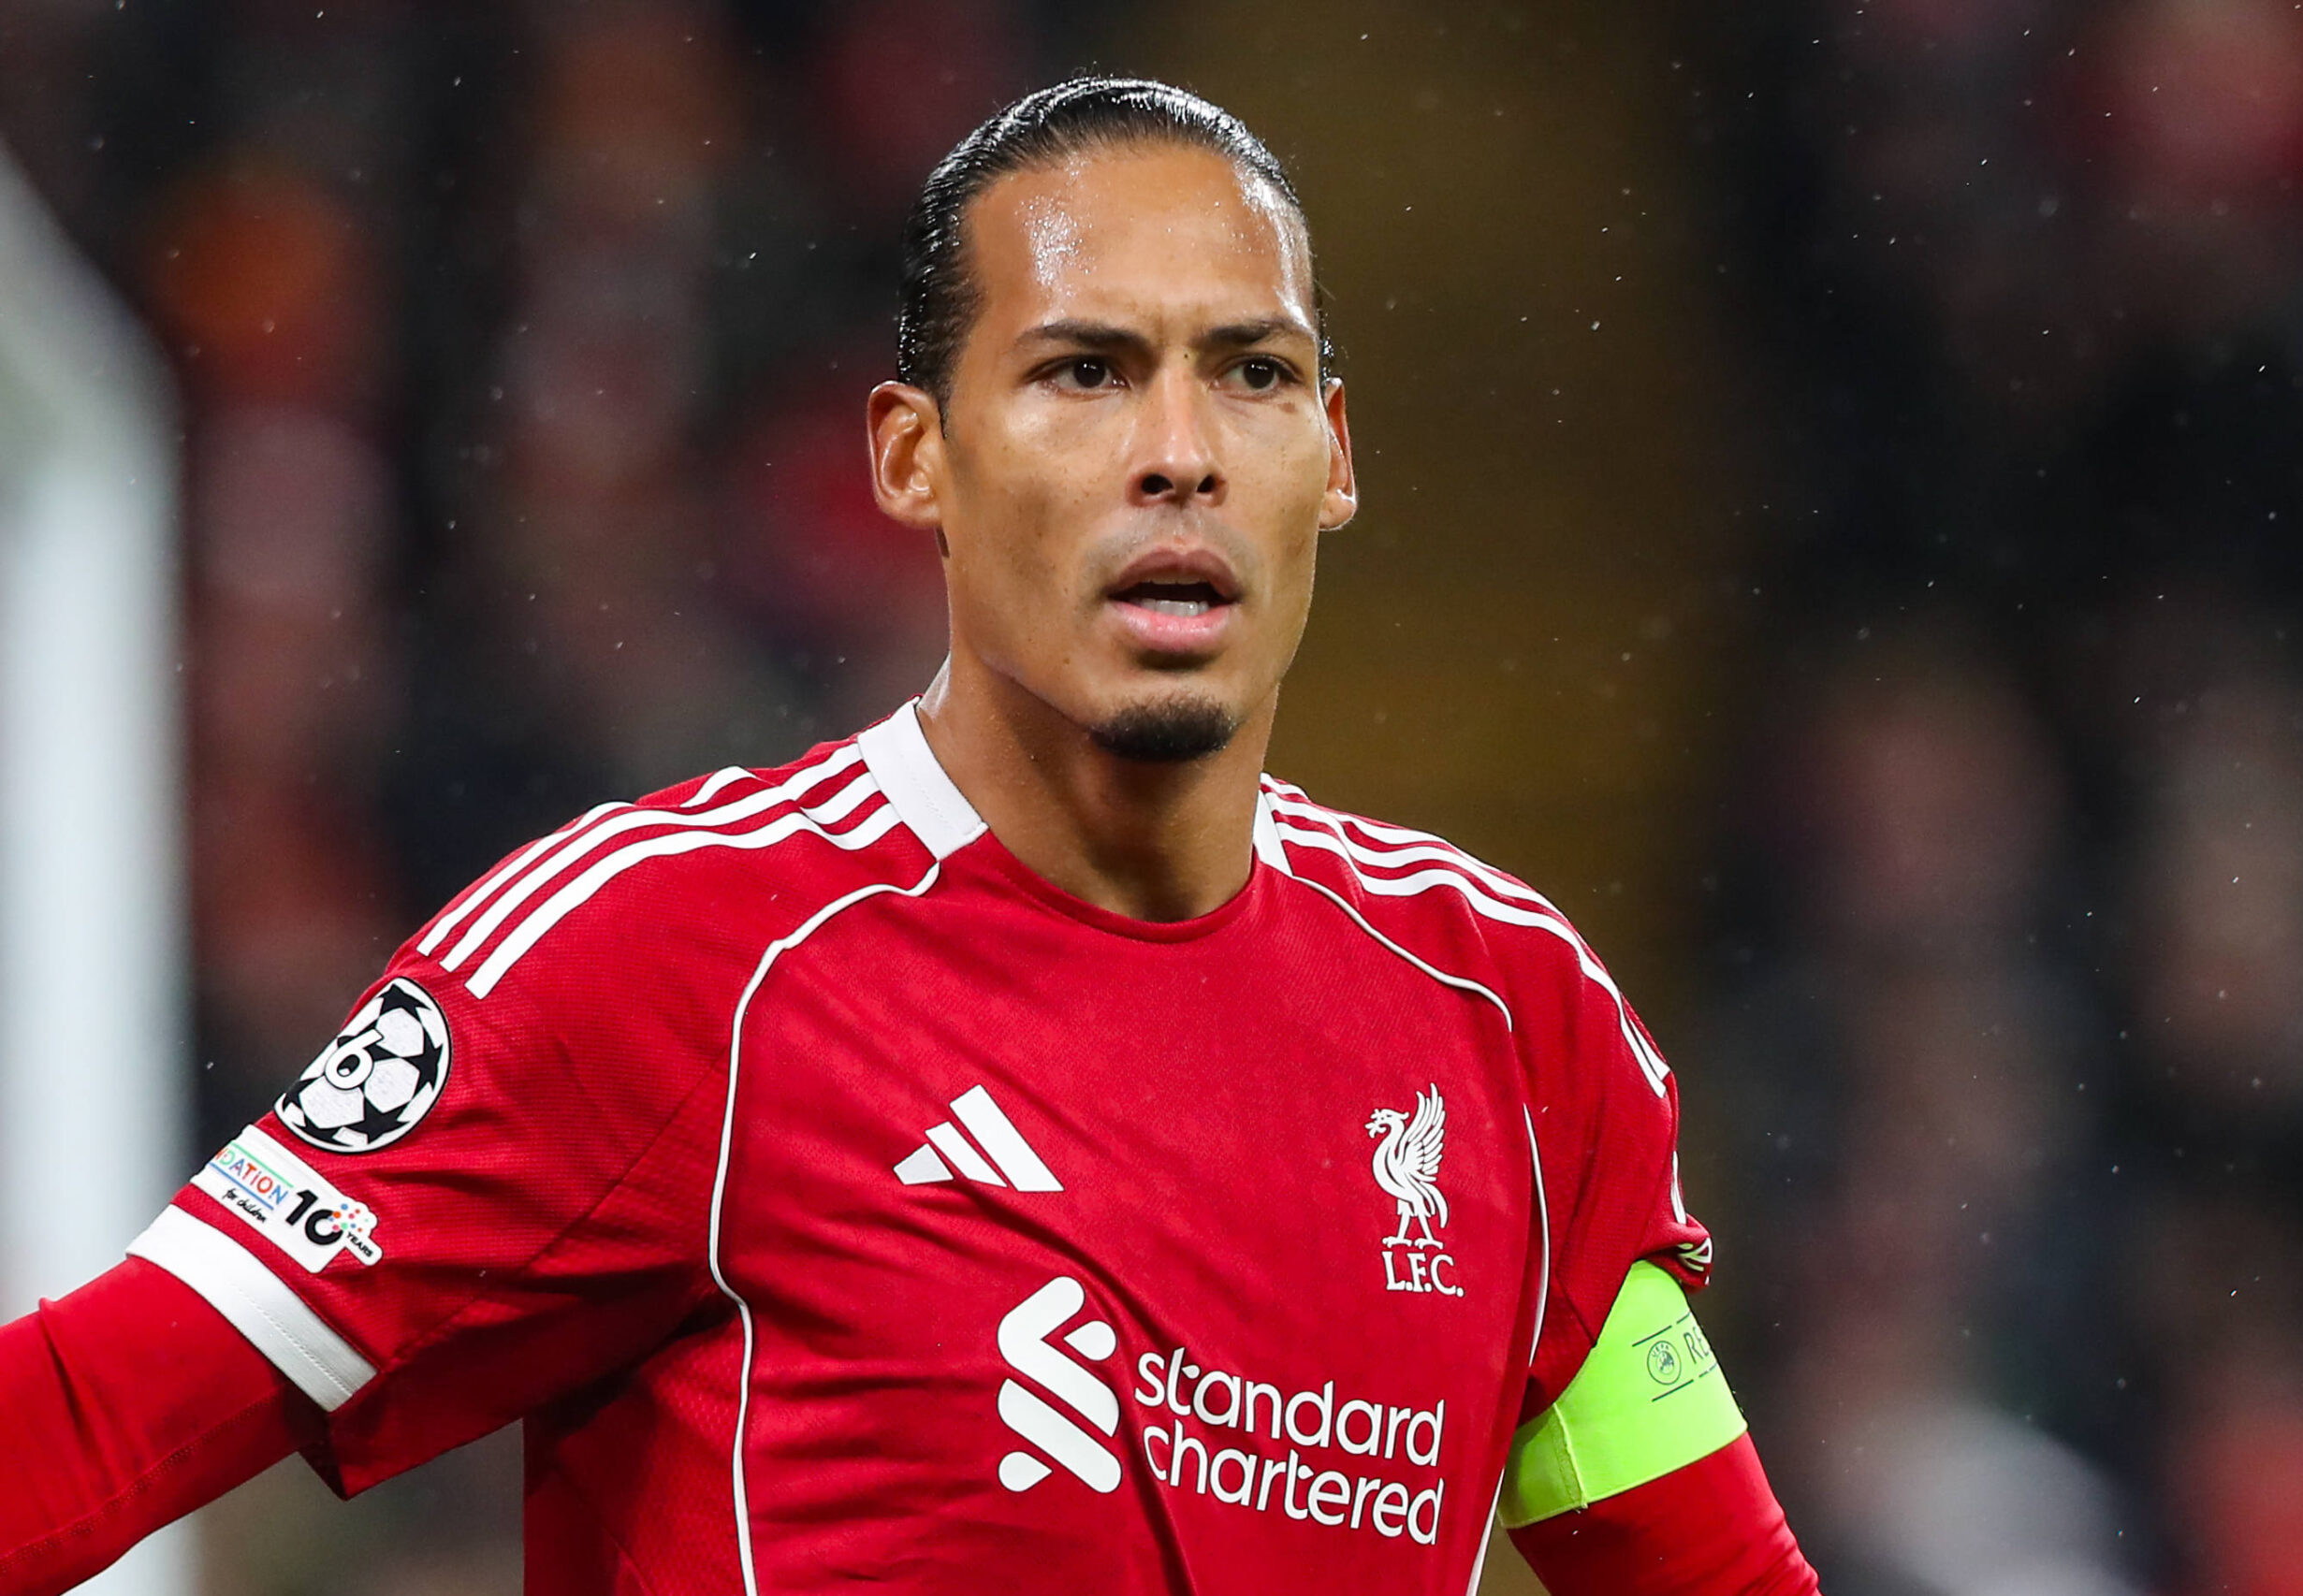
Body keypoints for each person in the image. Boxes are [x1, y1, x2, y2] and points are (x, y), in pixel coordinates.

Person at [0, 80, 1816, 1595]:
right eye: (1084, 373)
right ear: (910, 460)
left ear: (1330, 456)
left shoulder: (1510, 1022)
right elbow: (82, 1424)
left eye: (1249, 376)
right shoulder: (665, 955)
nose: (1176, 451)